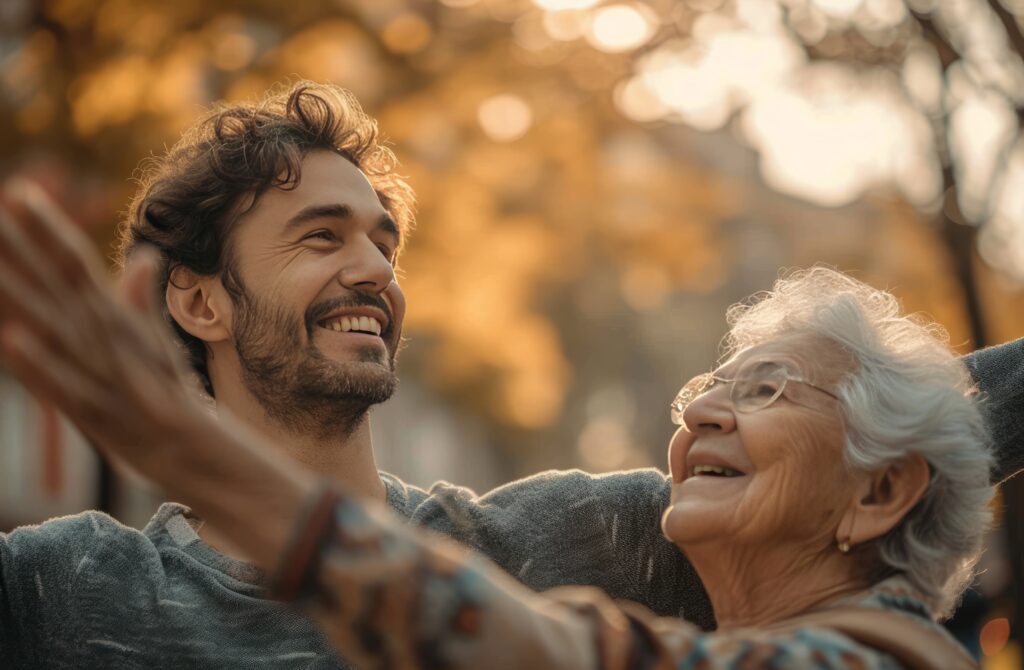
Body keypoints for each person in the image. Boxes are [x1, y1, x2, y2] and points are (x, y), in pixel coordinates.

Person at [0, 81, 1019, 667]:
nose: (372, 270)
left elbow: (910, 419)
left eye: (383, 243)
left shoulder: (576, 544)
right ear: (198, 300)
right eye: (321, 236)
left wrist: (188, 446)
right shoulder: (63, 589)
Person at [0, 248, 996, 667]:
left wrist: (197, 453)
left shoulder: (885, 653)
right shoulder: (71, 579)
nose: (706, 419)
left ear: (880, 490)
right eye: (704, 394)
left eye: (768, 388)